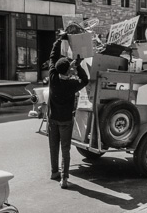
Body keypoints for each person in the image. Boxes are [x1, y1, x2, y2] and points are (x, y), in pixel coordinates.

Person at [48, 35, 89, 189]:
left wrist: (58, 40)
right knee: (65, 149)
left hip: (53, 119)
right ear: (68, 71)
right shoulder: (72, 84)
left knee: (53, 147)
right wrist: (77, 65)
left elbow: (52, 57)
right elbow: (85, 80)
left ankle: (54, 172)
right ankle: (64, 178)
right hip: (66, 121)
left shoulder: (52, 77)